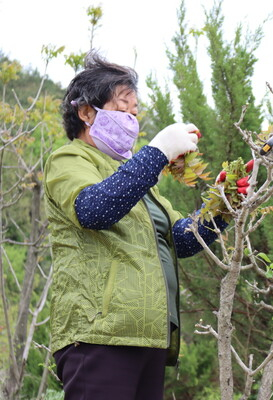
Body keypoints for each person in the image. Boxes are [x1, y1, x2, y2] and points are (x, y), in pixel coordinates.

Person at [43, 53, 237, 399]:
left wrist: (224, 204)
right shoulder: (69, 159)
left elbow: (183, 240)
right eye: (123, 109)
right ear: (86, 113)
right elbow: (94, 210)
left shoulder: (140, 182)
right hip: (98, 336)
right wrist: (159, 150)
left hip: (148, 337)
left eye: (135, 113)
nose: (132, 120)